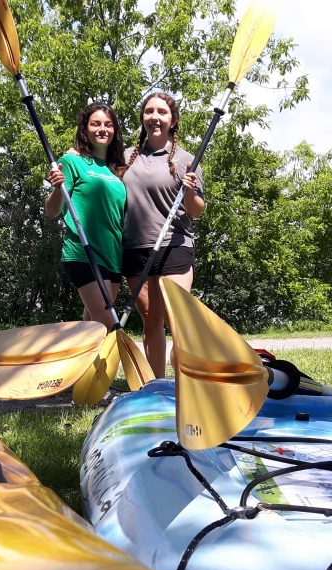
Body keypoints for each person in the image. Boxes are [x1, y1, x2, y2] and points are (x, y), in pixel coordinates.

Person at [121, 92, 205, 378]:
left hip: (174, 246)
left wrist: (190, 190)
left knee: (178, 322)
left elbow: (196, 211)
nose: (154, 117)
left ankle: (183, 383)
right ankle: (156, 385)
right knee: (151, 320)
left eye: (161, 112)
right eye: (149, 111)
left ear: (173, 120)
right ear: (142, 118)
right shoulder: (125, 159)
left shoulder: (186, 160)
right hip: (135, 249)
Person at [44, 102, 127, 330]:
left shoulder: (116, 170)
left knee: (92, 327)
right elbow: (52, 211)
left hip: (113, 254)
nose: (102, 129)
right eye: (96, 124)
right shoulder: (71, 162)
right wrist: (58, 188)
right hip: (84, 252)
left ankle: (82, 355)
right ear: (85, 129)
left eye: (108, 124)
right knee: (108, 325)